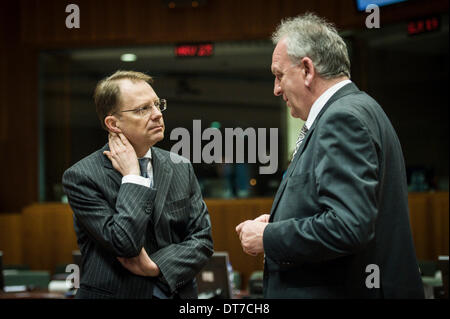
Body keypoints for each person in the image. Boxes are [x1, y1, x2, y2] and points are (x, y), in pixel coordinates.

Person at [236, 13, 424, 298]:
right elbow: (339, 208)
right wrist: (282, 221)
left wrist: (268, 237)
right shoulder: (358, 108)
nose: (276, 89)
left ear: (307, 70)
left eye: (279, 75)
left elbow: (348, 226)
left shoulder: (342, 119)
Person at [62, 70, 213, 299]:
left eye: (156, 104)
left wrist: (157, 267)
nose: (156, 115)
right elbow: (125, 244)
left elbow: (202, 240)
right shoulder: (82, 176)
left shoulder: (180, 166)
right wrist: (133, 176)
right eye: (142, 109)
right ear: (113, 123)